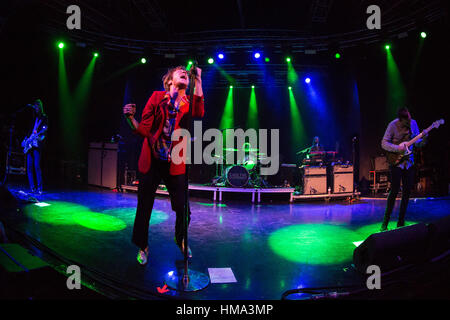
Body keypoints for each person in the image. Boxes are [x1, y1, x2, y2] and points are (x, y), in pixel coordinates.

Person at [123, 66, 204, 265]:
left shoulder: (187, 102)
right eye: (180, 72)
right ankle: (143, 246)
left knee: (182, 207)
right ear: (169, 81)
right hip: (152, 160)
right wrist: (130, 118)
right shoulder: (157, 97)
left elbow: (199, 111)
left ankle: (180, 238)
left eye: (186, 72)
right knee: (144, 206)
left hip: (174, 161)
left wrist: (199, 79)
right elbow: (144, 128)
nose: (185, 73)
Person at [380, 107, 425, 231]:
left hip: (409, 162)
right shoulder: (393, 125)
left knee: (406, 193)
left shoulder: (413, 123)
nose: (409, 123)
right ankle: (385, 223)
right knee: (394, 191)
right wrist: (397, 148)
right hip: (397, 162)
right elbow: (383, 143)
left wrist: (423, 140)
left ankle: (401, 221)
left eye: (410, 120)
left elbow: (417, 142)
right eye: (406, 121)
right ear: (401, 120)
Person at [22, 99, 48, 195]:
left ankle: (40, 188)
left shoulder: (44, 117)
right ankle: (32, 188)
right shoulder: (33, 118)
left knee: (37, 166)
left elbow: (44, 130)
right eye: (35, 106)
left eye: (37, 106)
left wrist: (41, 137)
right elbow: (29, 130)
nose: (36, 108)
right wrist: (25, 139)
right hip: (30, 143)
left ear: (40, 107)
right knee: (29, 167)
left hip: (37, 144)